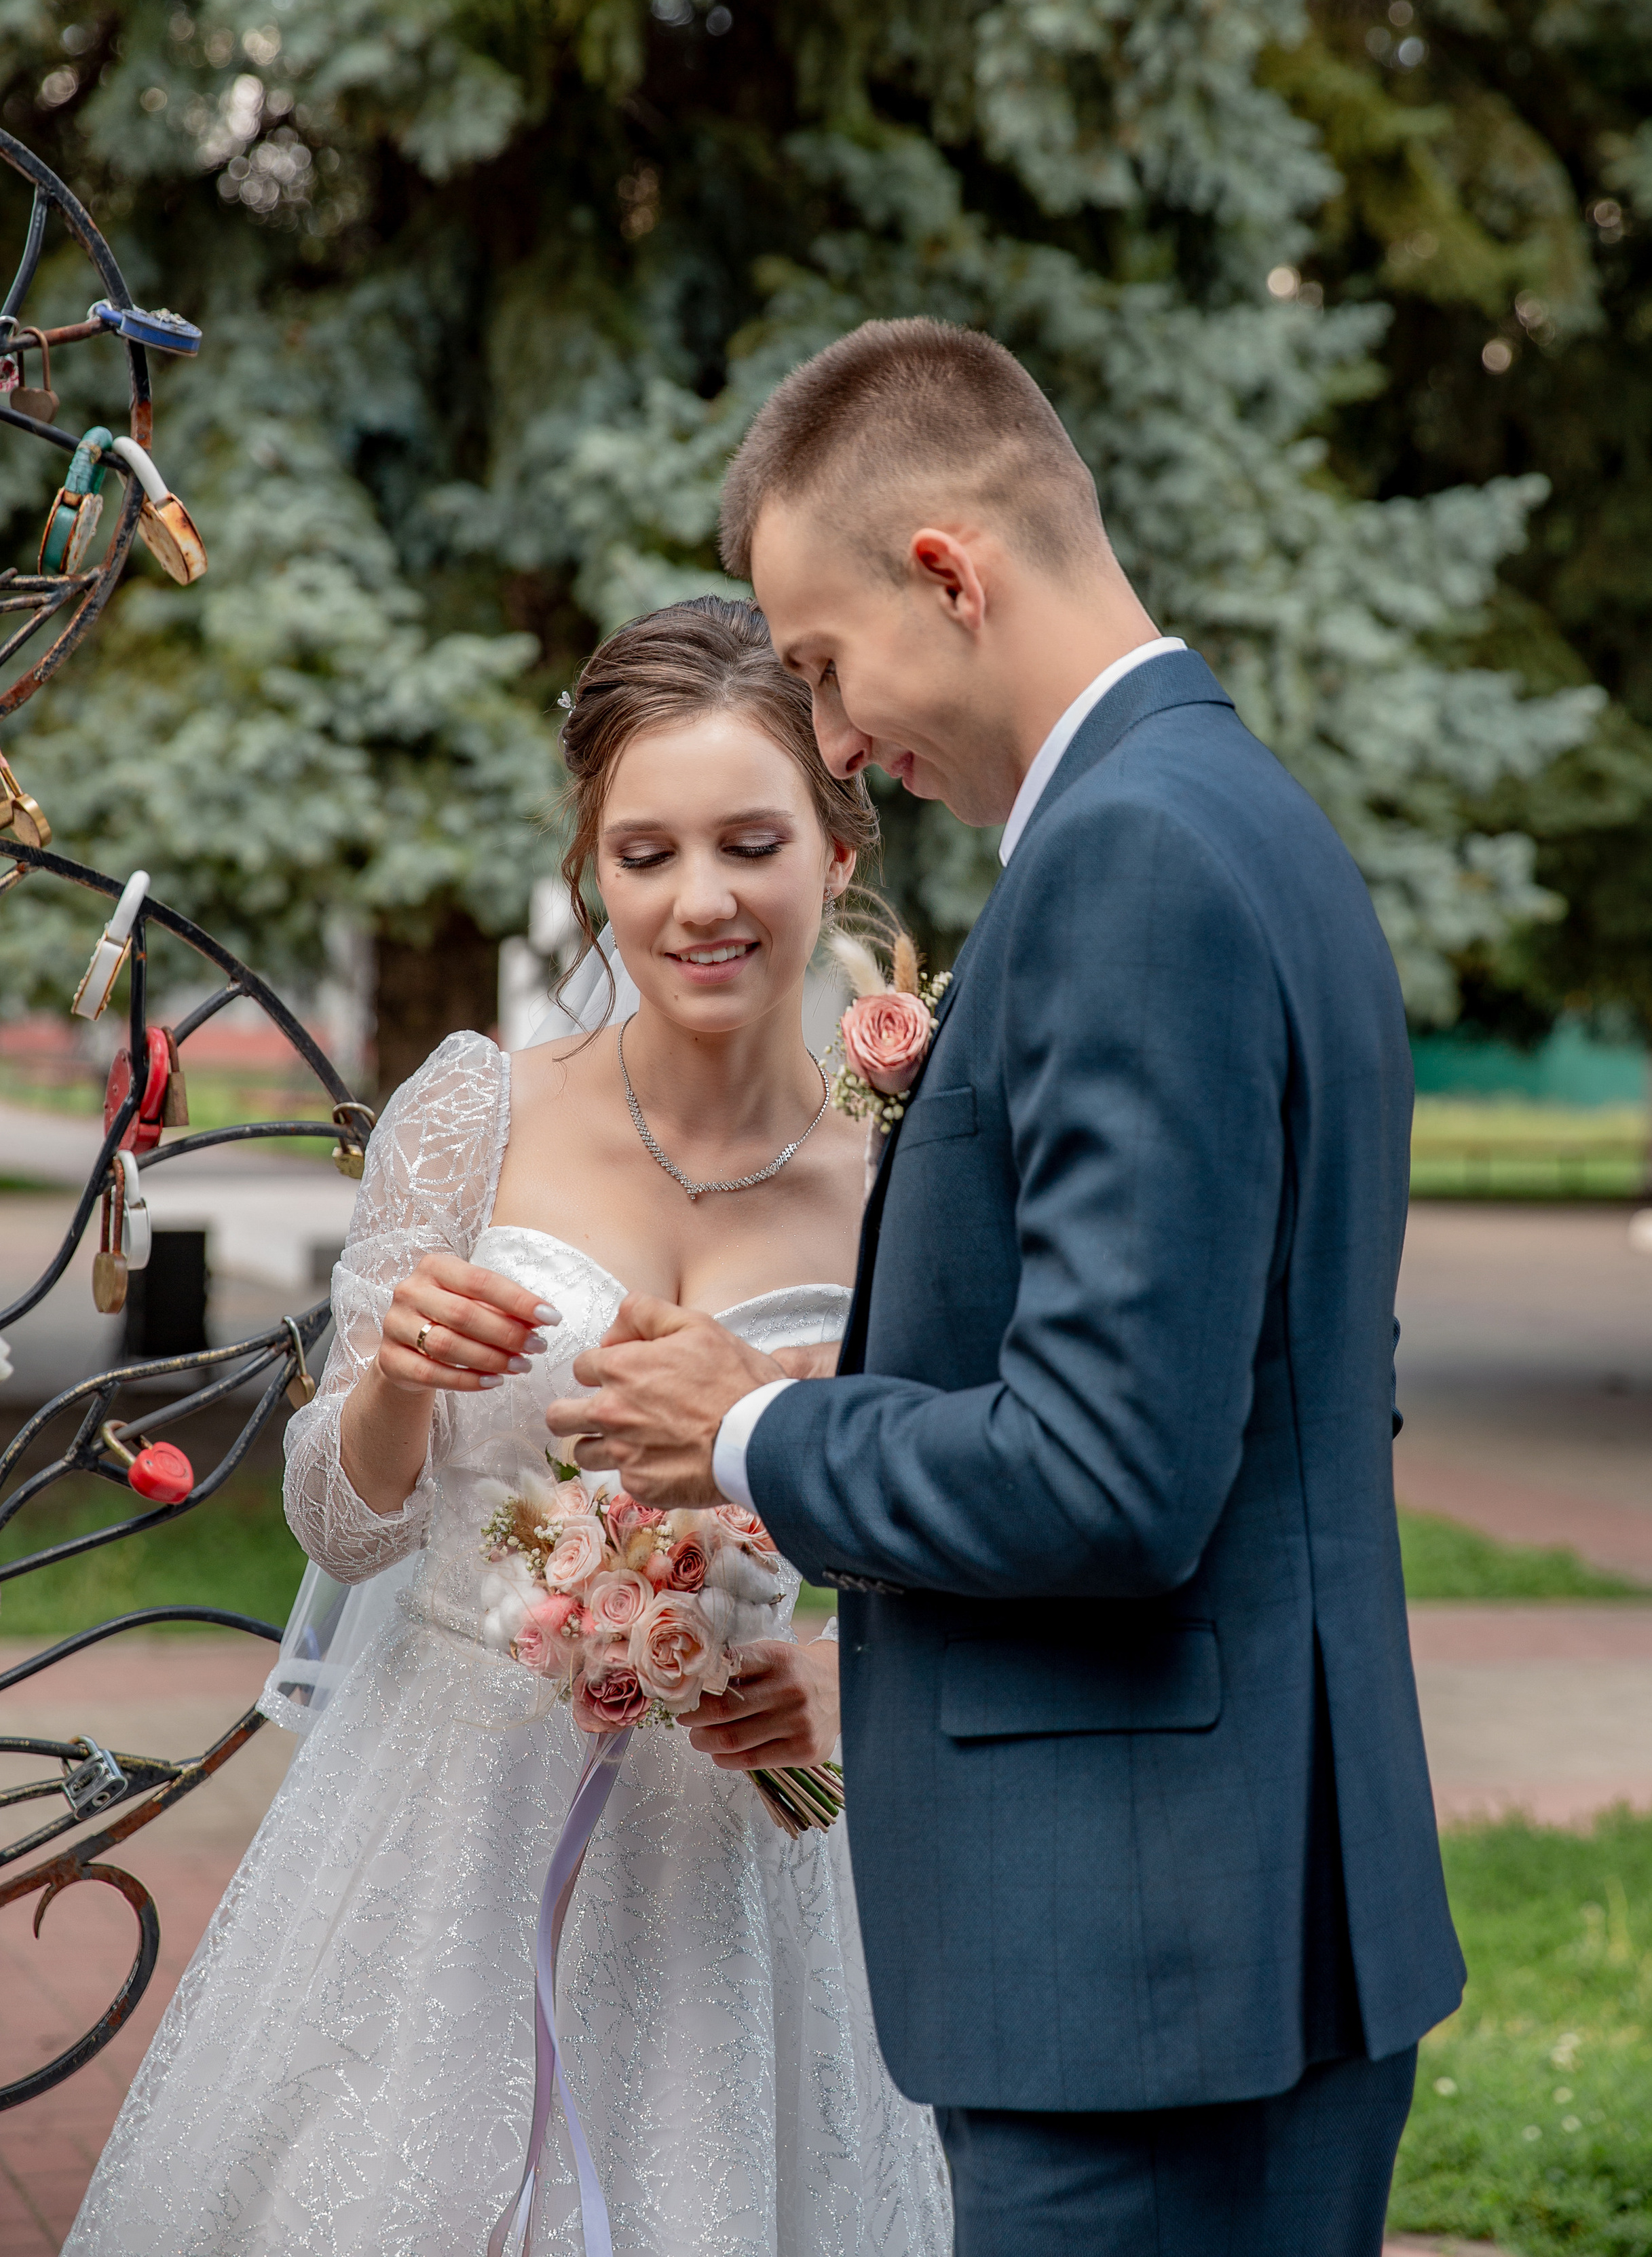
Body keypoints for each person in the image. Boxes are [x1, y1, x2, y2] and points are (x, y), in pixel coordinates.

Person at [549, 318, 1466, 2256]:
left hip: (1144, 1972)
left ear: (950, 574)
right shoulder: (1246, 819)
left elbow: (1114, 1474)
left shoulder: (1128, 862)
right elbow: (1294, 1398)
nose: (838, 740)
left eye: (820, 666)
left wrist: (747, 1422)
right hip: (1227, 1931)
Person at [63, 597, 951, 2257]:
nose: (700, 901)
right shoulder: (474, 1109)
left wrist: (837, 1675)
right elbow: (339, 1525)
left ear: (838, 846)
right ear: (591, 874)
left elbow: (948, 1497)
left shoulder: (908, 1169)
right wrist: (397, 1373)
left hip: (736, 1862)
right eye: (645, 853)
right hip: (439, 1827)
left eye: (750, 842)